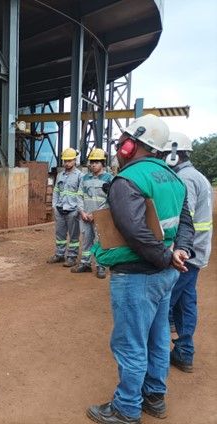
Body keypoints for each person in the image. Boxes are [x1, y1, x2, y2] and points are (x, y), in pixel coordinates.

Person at [88, 114, 194, 423]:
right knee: (158, 336)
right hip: (167, 274)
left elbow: (134, 231)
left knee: (130, 342)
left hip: (137, 275)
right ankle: (154, 397)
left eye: (123, 141)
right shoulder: (174, 178)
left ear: (132, 145)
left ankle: (126, 407)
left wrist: (163, 256)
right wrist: (179, 252)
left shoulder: (128, 180)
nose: (120, 146)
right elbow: (185, 223)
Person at [163, 132, 213, 373]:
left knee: (164, 304)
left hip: (185, 255)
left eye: (163, 155)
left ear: (173, 154)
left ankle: (159, 356)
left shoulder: (184, 179)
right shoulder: (197, 176)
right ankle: (184, 352)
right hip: (196, 253)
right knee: (186, 302)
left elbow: (185, 218)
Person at [72, 148, 113, 278]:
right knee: (86, 240)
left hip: (100, 216)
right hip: (85, 216)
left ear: (103, 163)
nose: (93, 164)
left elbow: (110, 199)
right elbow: (79, 195)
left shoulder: (109, 178)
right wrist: (82, 212)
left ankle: (101, 266)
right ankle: (85, 263)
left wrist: (96, 213)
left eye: (97, 162)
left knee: (100, 240)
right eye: (92, 162)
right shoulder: (85, 178)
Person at [48, 147, 82, 267]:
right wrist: (54, 206)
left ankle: (72, 257)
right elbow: (56, 191)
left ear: (74, 161)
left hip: (73, 210)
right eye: (65, 161)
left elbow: (81, 194)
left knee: (74, 235)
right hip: (60, 209)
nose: (67, 163)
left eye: (69, 160)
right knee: (60, 234)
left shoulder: (79, 176)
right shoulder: (60, 175)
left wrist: (79, 209)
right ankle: (59, 254)